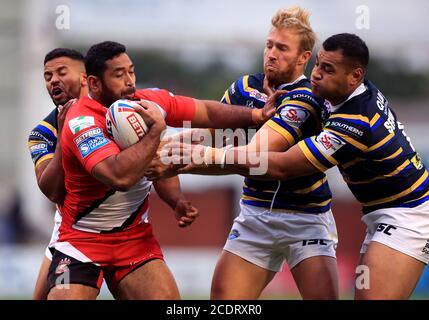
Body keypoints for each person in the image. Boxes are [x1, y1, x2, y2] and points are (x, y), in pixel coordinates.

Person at [169, 33, 429, 300]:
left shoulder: (355, 122)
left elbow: (280, 167)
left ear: (355, 76)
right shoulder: (344, 92)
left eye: (328, 70)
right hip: (380, 211)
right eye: (318, 64)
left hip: (409, 214)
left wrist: (208, 156)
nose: (315, 74)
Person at [47, 41, 276, 300]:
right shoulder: (82, 121)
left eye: (131, 71)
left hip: (133, 240)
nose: (130, 81)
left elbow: (206, 112)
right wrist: (155, 131)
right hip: (81, 241)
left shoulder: (146, 102)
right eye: (119, 75)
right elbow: (119, 176)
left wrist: (256, 116)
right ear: (95, 83)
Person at [29, 48, 199, 300]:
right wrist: (63, 139)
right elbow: (53, 191)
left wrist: (175, 199)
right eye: (47, 76)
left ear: (88, 79)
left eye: (61, 72)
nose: (53, 80)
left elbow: (154, 158)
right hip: (75, 231)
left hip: (130, 235)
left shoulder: (126, 112)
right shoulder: (42, 132)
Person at [199, 7, 340, 300]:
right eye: (269, 45)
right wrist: (163, 146)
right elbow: (206, 134)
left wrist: (182, 162)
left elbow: (256, 155)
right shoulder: (243, 88)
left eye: (282, 48)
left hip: (306, 216)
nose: (272, 54)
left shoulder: (308, 97)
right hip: (255, 214)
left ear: (304, 57)